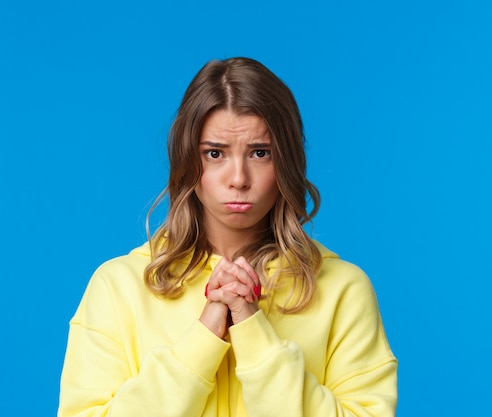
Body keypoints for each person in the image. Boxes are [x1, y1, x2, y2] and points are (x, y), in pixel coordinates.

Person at [58, 57, 397, 417]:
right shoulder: (117, 287)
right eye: (215, 153)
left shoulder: (344, 290)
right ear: (187, 161)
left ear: (287, 163)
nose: (238, 178)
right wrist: (202, 340)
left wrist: (254, 335)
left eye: (260, 153)